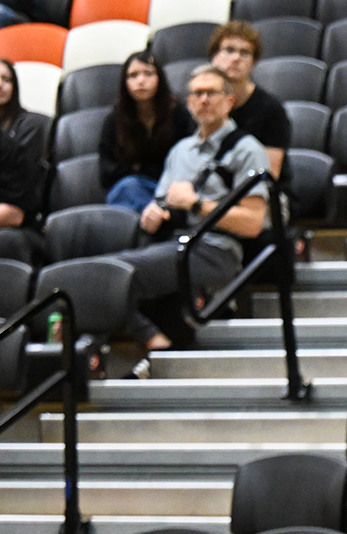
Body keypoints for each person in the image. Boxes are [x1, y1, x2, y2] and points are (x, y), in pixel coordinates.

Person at [117, 65, 272, 352]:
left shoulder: (248, 150)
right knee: (103, 272)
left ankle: (154, 343)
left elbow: (252, 223)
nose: (203, 100)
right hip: (174, 242)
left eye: (211, 93)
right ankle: (154, 340)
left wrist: (197, 204)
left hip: (217, 249)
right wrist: (153, 213)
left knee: (118, 274)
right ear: (188, 103)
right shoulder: (180, 151)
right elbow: (163, 201)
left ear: (229, 101)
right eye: (197, 94)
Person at [199, 21, 288, 178]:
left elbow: (268, 176)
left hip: (258, 192)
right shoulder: (203, 102)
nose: (236, 58)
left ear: (253, 63)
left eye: (244, 53)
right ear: (214, 57)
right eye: (229, 50)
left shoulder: (271, 109)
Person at [101, 52, 184, 213]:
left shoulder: (178, 113)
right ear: (124, 83)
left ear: (160, 78)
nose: (141, 81)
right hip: (130, 189)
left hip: (172, 187)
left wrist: (140, 168)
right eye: (133, 75)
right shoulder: (114, 120)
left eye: (148, 74)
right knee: (127, 188)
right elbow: (109, 172)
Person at [0, 58, 49, 266]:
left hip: (23, 219)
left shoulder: (31, 124)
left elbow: (21, 189)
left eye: (6, 79)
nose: (0, 84)